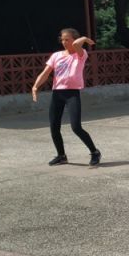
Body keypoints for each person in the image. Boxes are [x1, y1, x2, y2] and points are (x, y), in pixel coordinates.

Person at [31, 28, 101, 167]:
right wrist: (35, 86)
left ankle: (94, 152)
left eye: (67, 39)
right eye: (62, 39)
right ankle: (61, 156)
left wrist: (85, 38)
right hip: (57, 93)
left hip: (72, 94)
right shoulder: (56, 55)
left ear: (75, 39)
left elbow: (76, 45)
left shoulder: (81, 54)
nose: (64, 42)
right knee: (54, 127)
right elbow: (46, 72)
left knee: (76, 127)